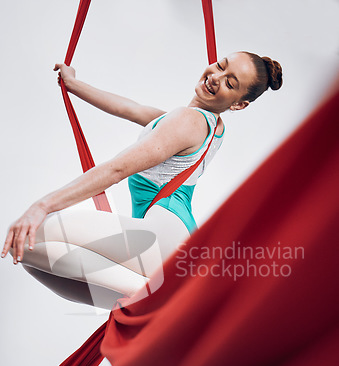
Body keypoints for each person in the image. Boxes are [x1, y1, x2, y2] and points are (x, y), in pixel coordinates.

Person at [1, 51, 283, 310]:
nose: (216, 77)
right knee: (32, 253)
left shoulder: (188, 121)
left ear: (239, 105)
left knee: (31, 238)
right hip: (177, 244)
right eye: (221, 66)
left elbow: (116, 170)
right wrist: (74, 84)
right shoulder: (206, 125)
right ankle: (157, 299)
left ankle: (159, 297)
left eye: (230, 83)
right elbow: (129, 108)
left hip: (164, 237)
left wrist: (42, 206)